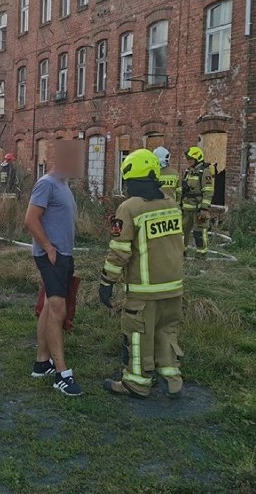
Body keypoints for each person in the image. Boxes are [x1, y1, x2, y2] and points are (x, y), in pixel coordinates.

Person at [99, 149, 185, 399]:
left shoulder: (129, 208)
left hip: (143, 291)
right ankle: (172, 378)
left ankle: (136, 383)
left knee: (136, 335)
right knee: (166, 331)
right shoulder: (171, 204)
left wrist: (106, 282)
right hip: (173, 287)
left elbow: (119, 251)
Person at [23, 141, 82, 397]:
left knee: (49, 306)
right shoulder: (46, 184)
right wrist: (48, 247)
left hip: (63, 256)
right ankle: (62, 374)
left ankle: (41, 362)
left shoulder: (63, 185)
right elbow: (30, 219)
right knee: (59, 309)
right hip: (52, 256)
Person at [179, 146, 215, 259]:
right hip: (186, 208)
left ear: (197, 159)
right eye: (188, 159)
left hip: (198, 209)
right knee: (182, 232)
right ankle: (182, 252)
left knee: (199, 232)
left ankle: (201, 254)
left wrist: (204, 209)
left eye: (190, 159)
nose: (188, 161)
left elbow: (208, 192)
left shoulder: (205, 172)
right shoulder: (188, 171)